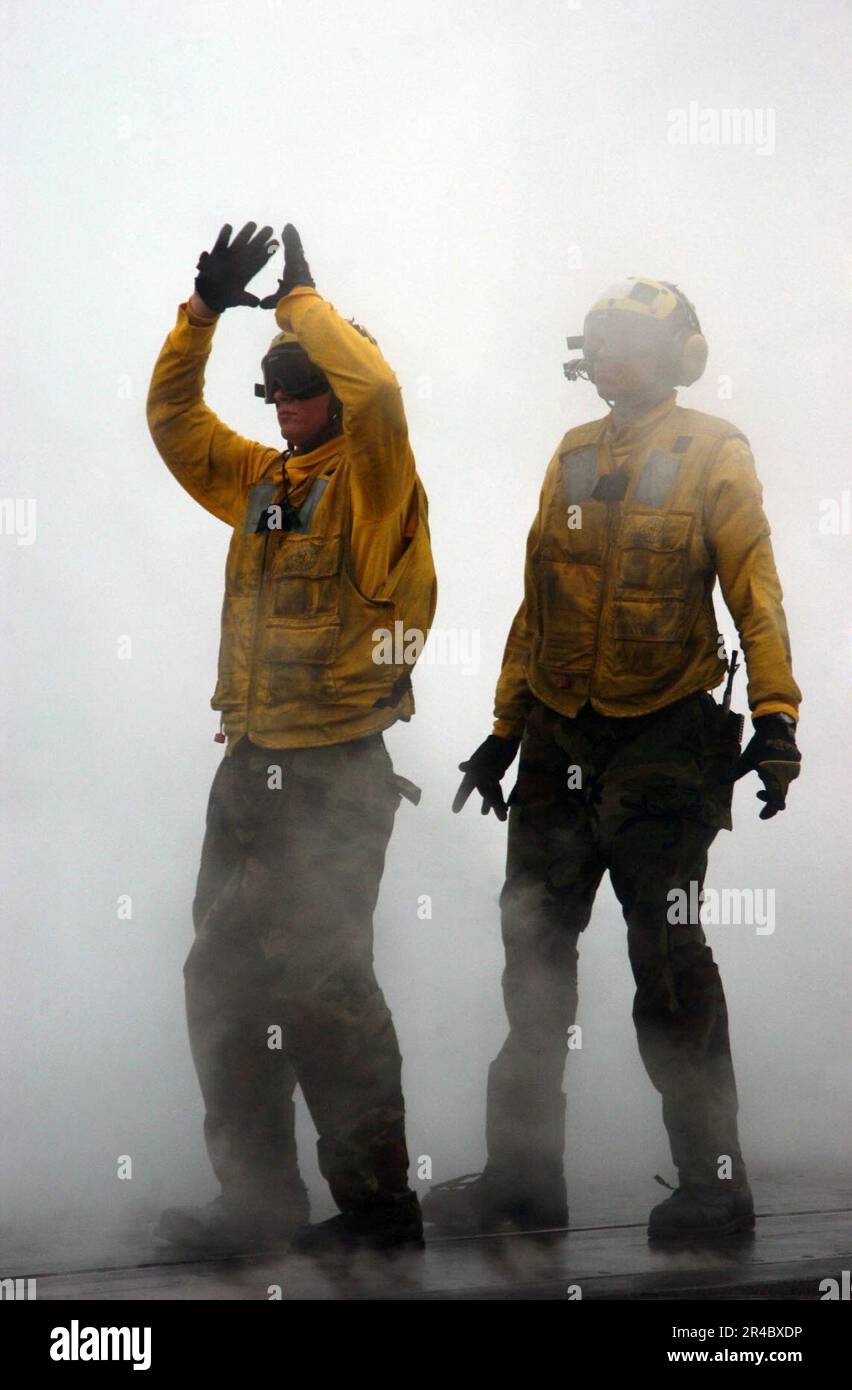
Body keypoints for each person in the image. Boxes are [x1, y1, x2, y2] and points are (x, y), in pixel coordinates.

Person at [423, 278, 801, 1241]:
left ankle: (717, 1183)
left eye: (626, 340)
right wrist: (506, 730)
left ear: (676, 351)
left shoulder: (715, 451)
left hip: (665, 736)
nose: (608, 358)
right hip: (558, 733)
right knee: (532, 954)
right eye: (599, 341)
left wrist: (775, 715)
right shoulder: (572, 453)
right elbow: (535, 600)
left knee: (666, 956)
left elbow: (754, 590)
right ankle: (521, 1181)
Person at [146, 221, 437, 1254]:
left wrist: (300, 303)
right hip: (251, 766)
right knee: (222, 978)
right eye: (269, 392)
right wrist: (201, 318)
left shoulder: (376, 481)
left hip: (333, 774)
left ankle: (376, 1209)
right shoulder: (268, 484)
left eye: (295, 387)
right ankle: (257, 1202)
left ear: (333, 389)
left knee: (324, 986)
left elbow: (386, 396)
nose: (277, 406)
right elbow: (175, 427)